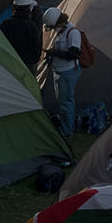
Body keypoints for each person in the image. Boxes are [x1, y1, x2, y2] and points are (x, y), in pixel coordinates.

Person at [41, 8, 84, 138]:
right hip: (60, 71)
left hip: (67, 72)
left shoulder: (72, 32)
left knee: (66, 102)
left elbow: (74, 54)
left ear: (58, 23)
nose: (53, 30)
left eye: (53, 27)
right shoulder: (63, 31)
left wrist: (55, 53)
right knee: (63, 101)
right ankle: (66, 126)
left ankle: (67, 132)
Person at [0, 0, 41, 70]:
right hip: (28, 64)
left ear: (14, 6)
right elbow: (36, 48)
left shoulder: (7, 23)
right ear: (29, 7)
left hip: (11, 63)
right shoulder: (32, 26)